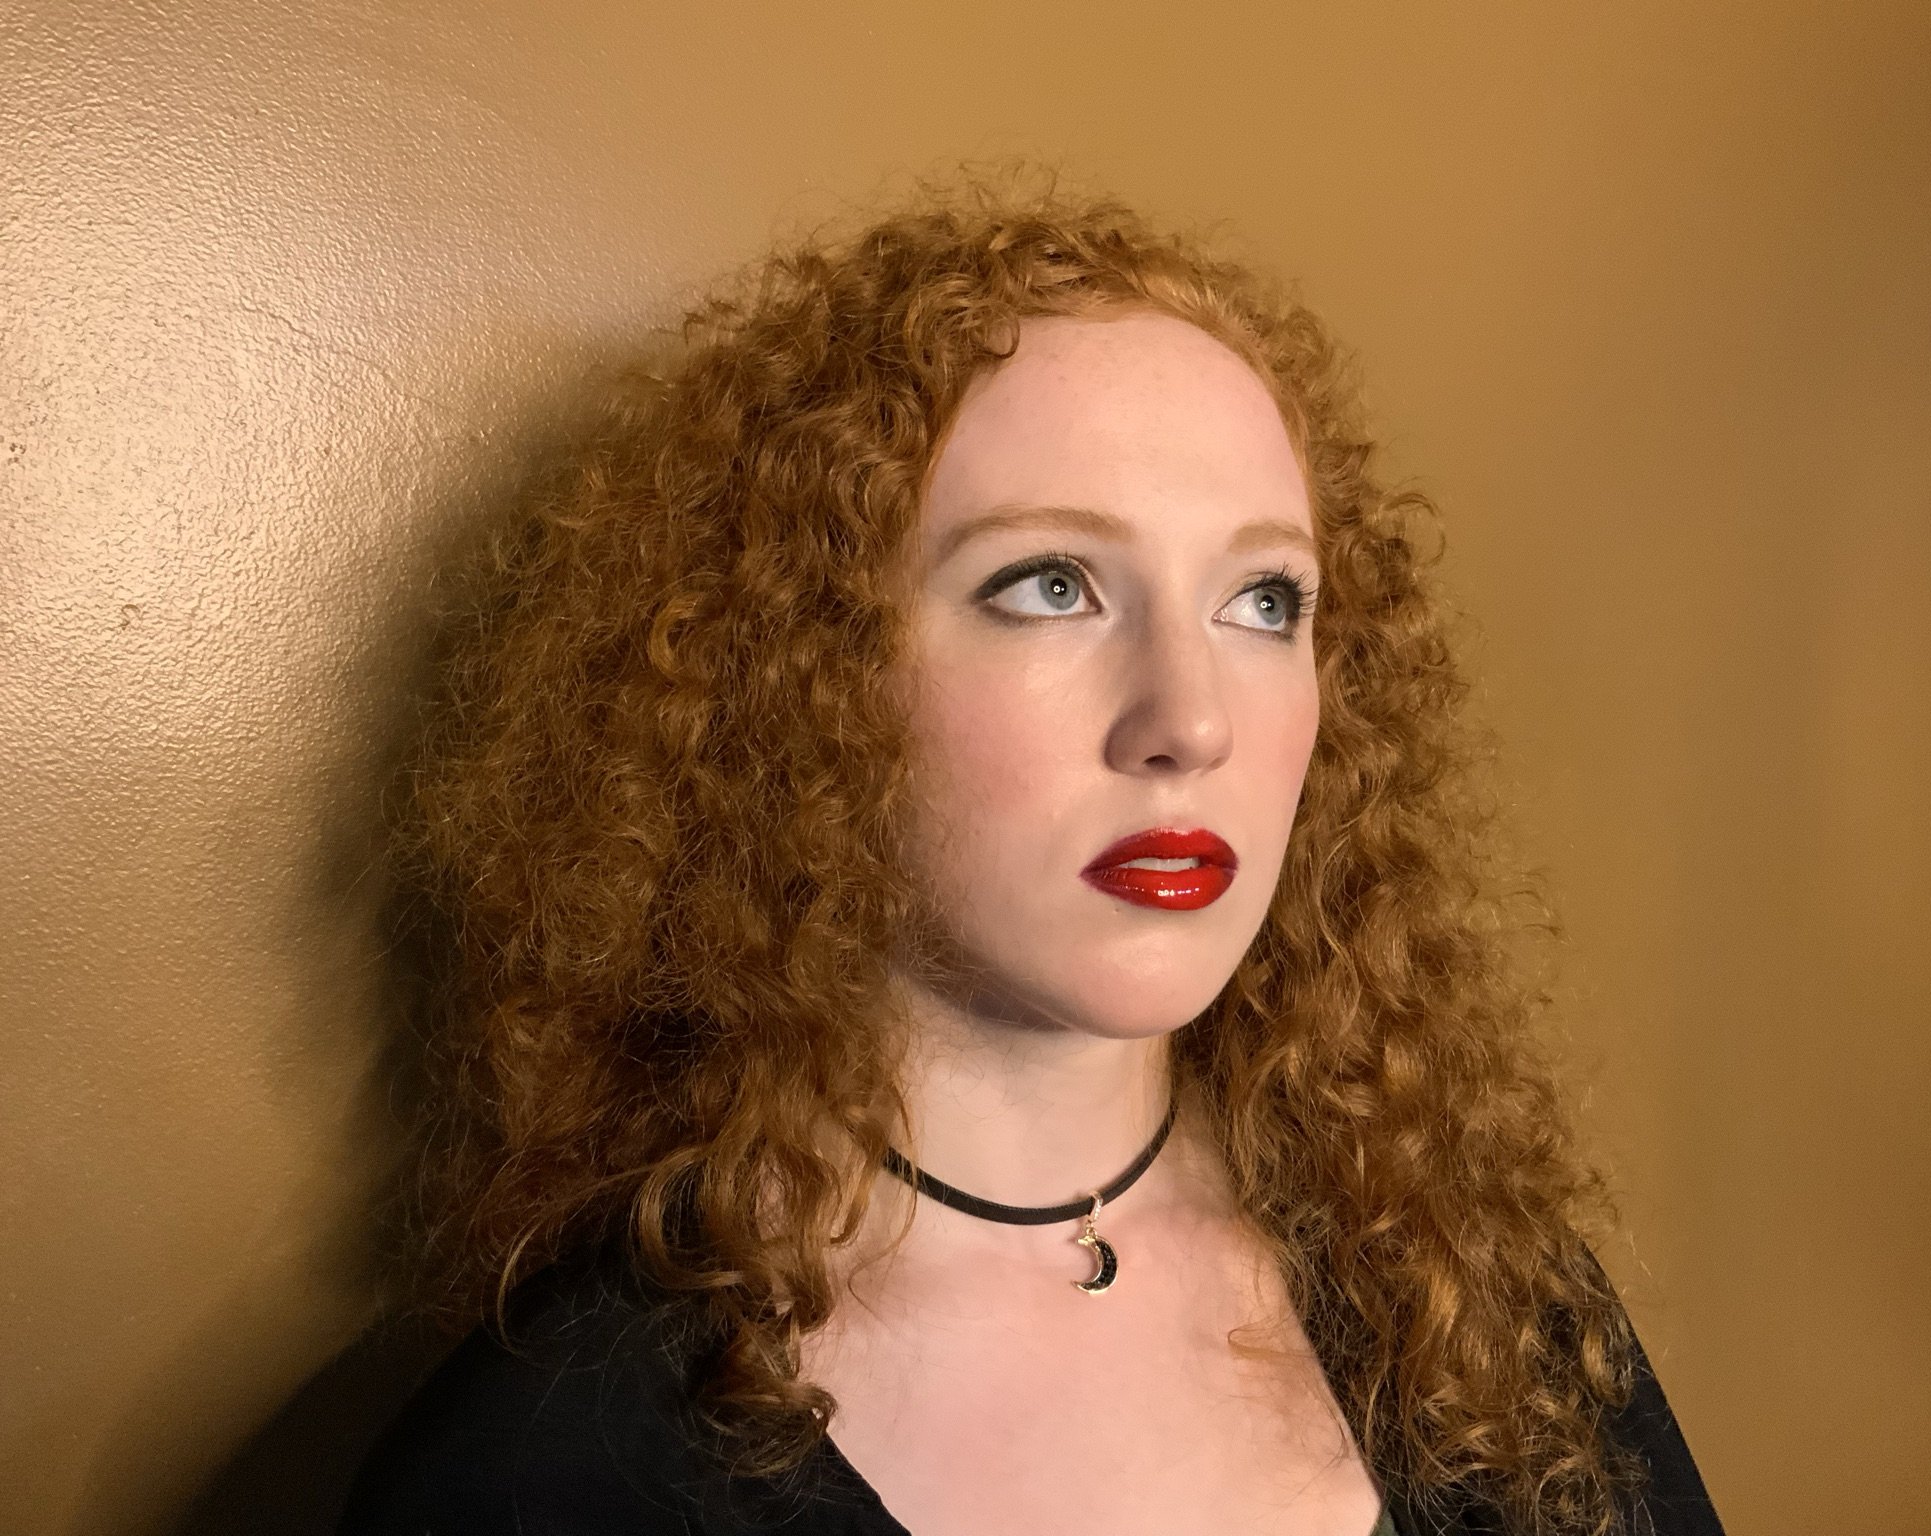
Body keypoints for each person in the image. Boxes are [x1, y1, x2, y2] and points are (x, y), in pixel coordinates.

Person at [339, 181, 1724, 1536]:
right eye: (1051, 586)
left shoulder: (1469, 1301)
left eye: (1263, 599)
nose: (1191, 722)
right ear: (806, 675)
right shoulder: (555, 1469)